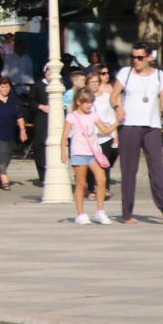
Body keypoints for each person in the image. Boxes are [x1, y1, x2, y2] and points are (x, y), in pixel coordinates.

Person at [113, 42, 163, 225]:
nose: (136, 61)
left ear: (149, 58)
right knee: (129, 170)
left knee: (157, 168)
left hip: (153, 126)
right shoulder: (125, 73)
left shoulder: (159, 76)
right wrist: (118, 108)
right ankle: (127, 213)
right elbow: (114, 95)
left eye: (140, 57)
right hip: (130, 126)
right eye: (133, 57)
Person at [68, 89, 112, 225]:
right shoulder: (72, 116)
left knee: (102, 180)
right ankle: (80, 214)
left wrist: (118, 123)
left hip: (94, 153)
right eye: (86, 102)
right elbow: (64, 136)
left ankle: (100, 211)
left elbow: (105, 130)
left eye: (91, 102)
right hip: (79, 152)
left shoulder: (93, 115)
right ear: (78, 102)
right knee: (81, 184)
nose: (89, 105)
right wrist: (63, 153)